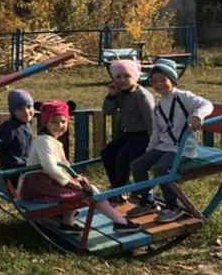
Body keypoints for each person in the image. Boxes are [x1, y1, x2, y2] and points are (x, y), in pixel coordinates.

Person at [19, 100, 142, 235]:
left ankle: (68, 223)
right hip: (40, 185)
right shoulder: (44, 141)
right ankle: (119, 222)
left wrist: (75, 178)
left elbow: (63, 165)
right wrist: (72, 183)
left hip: (44, 182)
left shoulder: (52, 141)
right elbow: (51, 168)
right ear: (45, 123)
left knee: (85, 186)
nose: (59, 125)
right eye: (54, 122)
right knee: (89, 192)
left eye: (63, 121)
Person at [130, 58, 213, 224]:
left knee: (161, 168)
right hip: (164, 146)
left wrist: (198, 116)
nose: (159, 84)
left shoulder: (183, 97)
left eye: (163, 80)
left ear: (173, 81)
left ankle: (172, 207)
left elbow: (206, 104)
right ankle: (148, 201)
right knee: (138, 164)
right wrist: (150, 151)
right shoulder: (158, 107)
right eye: (154, 81)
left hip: (183, 148)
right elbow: (156, 133)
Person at [99, 59, 156, 216]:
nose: (122, 80)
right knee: (108, 152)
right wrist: (111, 95)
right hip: (130, 134)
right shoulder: (119, 93)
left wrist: (153, 145)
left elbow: (151, 122)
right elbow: (107, 111)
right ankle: (118, 187)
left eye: (126, 76)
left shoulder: (142, 95)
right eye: (118, 77)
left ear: (135, 77)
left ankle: (121, 188)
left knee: (124, 157)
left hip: (145, 135)